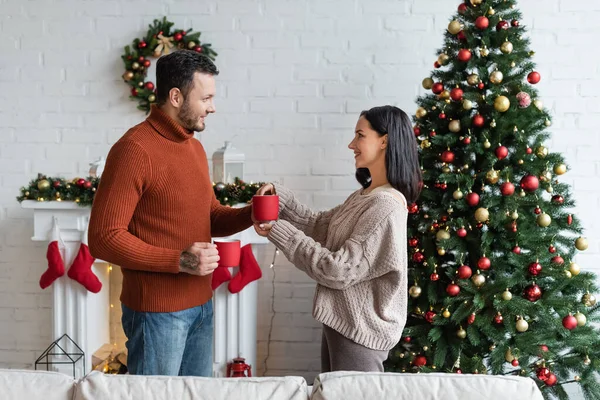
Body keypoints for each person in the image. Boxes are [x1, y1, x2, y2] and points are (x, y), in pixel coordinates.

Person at [88, 50, 254, 377]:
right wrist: (178, 261)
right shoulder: (134, 149)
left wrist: (253, 214)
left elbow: (210, 216)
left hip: (201, 307)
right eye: (205, 98)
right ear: (176, 97)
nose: (213, 107)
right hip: (156, 315)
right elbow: (103, 239)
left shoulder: (194, 146)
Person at [254, 105, 421, 372]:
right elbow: (320, 226)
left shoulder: (385, 206)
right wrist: (281, 199)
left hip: (360, 333)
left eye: (360, 135)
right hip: (344, 325)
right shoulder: (366, 196)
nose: (351, 144)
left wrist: (279, 232)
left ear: (384, 141)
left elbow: (338, 270)